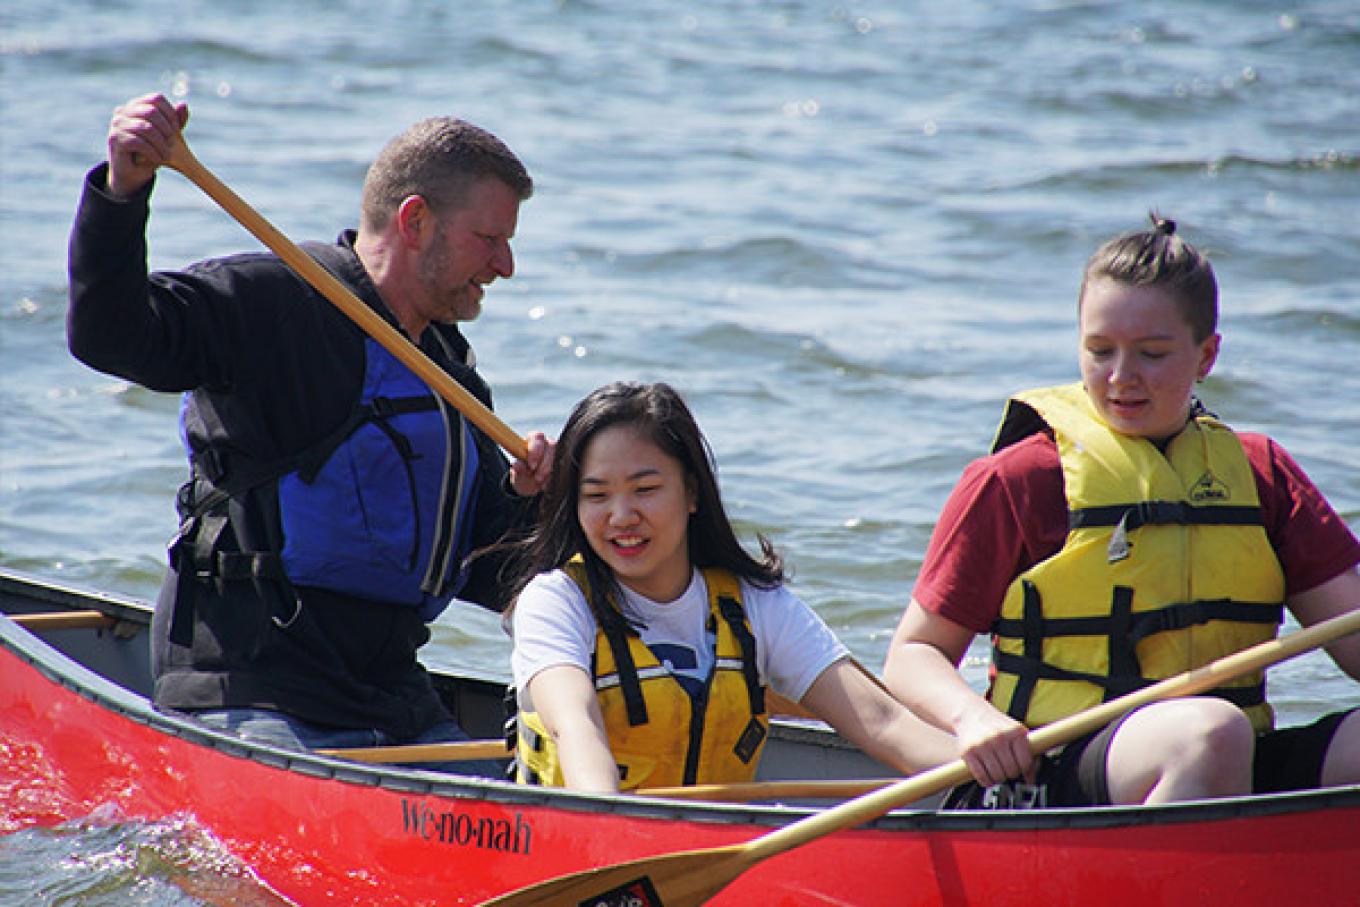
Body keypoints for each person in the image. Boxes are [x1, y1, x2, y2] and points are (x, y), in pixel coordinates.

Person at [66, 92, 553, 772]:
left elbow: (490, 568)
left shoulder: (452, 379)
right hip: (249, 687)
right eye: (491, 238)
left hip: (392, 701)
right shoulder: (276, 299)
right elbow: (109, 336)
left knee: (514, 803)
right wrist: (123, 191)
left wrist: (541, 502)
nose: (505, 266)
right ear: (416, 220)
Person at [883, 213, 1360, 807]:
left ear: (1207, 354)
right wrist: (969, 721)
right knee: (1208, 733)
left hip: (1227, 757)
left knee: (1223, 734)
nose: (1121, 377)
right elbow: (911, 656)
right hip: (1054, 773)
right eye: (1100, 350)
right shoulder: (1017, 480)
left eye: (1152, 354)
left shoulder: (1261, 474)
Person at [505, 381, 968, 793]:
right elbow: (576, 727)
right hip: (595, 839)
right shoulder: (554, 601)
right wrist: (607, 823)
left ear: (692, 493)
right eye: (597, 496)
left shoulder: (754, 603)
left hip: (712, 853)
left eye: (645, 490)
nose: (622, 516)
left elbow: (882, 721)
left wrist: (988, 772)